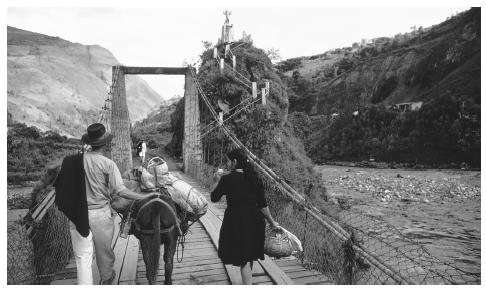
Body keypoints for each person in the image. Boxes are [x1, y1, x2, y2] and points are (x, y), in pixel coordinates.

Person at [55, 123, 157, 285]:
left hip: (77, 214)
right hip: (100, 215)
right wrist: (143, 196)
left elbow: (62, 184)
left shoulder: (73, 162)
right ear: (105, 144)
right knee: (104, 252)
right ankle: (107, 277)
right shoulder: (108, 164)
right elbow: (121, 191)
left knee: (82, 259)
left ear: (90, 142)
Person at [210, 148, 281, 285]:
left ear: (235, 162)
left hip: (236, 221)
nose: (227, 164)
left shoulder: (226, 179)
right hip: (255, 221)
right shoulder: (255, 178)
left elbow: (213, 198)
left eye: (228, 161)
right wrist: (272, 222)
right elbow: (263, 205)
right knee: (248, 256)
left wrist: (216, 180)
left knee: (244, 258)